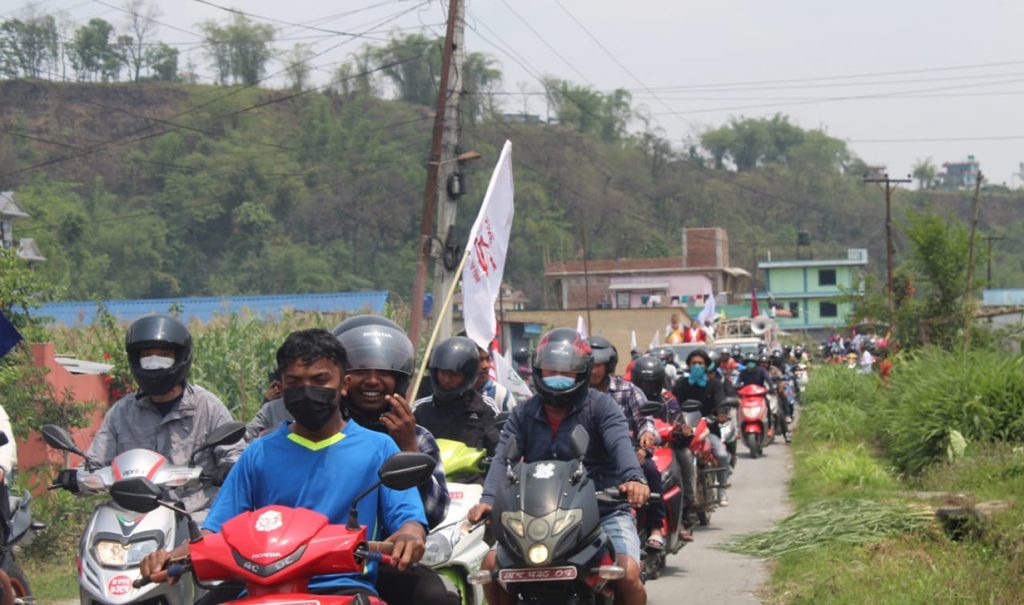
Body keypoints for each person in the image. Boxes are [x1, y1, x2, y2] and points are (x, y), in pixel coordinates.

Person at [140, 329, 428, 600]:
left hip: (343, 589)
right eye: (294, 383)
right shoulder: (258, 454)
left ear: (344, 385)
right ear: (281, 386)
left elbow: (408, 518)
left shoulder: (379, 448)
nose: (307, 391)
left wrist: (409, 535)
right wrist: (172, 555)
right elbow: (215, 530)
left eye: (319, 381)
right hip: (260, 588)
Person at [467, 328, 649, 605]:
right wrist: (488, 499)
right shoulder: (523, 413)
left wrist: (634, 479)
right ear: (538, 371)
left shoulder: (602, 407)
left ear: (583, 372)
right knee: (491, 570)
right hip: (537, 518)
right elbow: (504, 456)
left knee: (627, 574)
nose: (558, 377)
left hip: (603, 510)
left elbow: (620, 445)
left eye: (567, 372)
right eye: (551, 370)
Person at [335, 319, 458, 605]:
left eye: (384, 372)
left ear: (400, 379)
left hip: (385, 559)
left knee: (438, 595)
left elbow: (434, 512)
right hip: (319, 558)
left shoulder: (418, 436)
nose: (373, 380)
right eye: (361, 369)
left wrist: (408, 448)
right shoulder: (325, 432)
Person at [85, 314, 242, 512]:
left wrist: (229, 466)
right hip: (135, 515)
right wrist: (76, 477)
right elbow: (96, 463)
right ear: (136, 360)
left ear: (180, 358)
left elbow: (235, 454)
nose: (155, 362)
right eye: (147, 356)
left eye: (164, 356)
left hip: (194, 514)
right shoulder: (121, 412)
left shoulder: (207, 406)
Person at [587, 336, 663, 549]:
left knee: (651, 472)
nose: (594, 371)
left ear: (608, 365)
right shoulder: (574, 395)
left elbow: (645, 420)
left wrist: (646, 437)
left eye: (599, 366)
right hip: (588, 461)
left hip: (629, 454)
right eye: (590, 365)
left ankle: (656, 527)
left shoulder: (628, 390)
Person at [414, 337, 501, 457]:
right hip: (432, 474)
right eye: (443, 373)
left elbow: (499, 452)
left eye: (454, 375)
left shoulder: (485, 408)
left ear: (468, 375)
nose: (446, 380)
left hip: (472, 475)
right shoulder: (420, 409)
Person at [671, 349, 731, 505]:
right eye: (694, 363)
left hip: (708, 429)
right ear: (688, 366)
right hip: (685, 431)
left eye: (700, 363)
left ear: (707, 366)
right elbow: (673, 404)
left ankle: (722, 490)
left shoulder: (715, 384)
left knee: (722, 454)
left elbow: (721, 402)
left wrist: (722, 413)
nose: (697, 366)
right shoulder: (681, 384)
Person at [473, 344, 515, 413]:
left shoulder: (502, 395)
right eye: (480, 360)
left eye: (487, 359)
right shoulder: (458, 393)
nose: (485, 365)